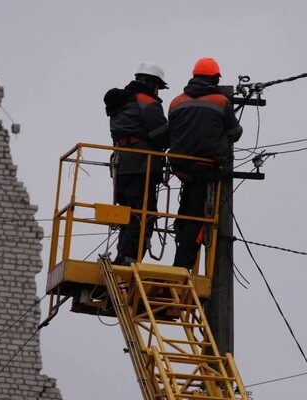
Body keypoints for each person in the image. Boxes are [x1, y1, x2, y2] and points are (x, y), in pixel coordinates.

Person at [168, 57, 243, 270]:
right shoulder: (221, 102)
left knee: (187, 208)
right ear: (215, 79)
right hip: (207, 168)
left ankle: (180, 236)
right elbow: (235, 133)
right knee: (198, 219)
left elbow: (172, 131)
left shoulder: (176, 102)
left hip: (181, 167)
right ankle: (182, 265)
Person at [103, 61, 170, 265]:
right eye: (158, 87)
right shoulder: (148, 103)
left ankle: (123, 255)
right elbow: (161, 137)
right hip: (141, 166)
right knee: (143, 214)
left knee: (127, 213)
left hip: (121, 165)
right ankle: (128, 258)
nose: (158, 91)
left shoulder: (120, 102)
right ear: (153, 84)